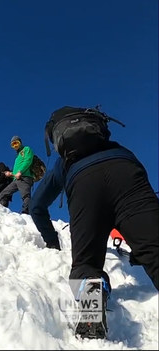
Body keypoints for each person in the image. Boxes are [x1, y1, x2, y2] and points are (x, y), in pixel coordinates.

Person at [30, 106, 159, 339]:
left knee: (86, 264)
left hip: (83, 183)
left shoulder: (63, 163)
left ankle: (92, 309)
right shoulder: (118, 149)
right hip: (127, 171)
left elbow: (36, 206)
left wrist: (52, 241)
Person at [0, 136, 34, 214]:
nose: (15, 146)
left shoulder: (26, 149)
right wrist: (11, 173)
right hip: (16, 179)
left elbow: (28, 161)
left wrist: (20, 171)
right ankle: (3, 211)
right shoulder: (17, 156)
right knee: (3, 194)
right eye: (13, 144)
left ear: (20, 142)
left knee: (25, 195)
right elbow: (17, 169)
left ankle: (26, 213)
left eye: (16, 143)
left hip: (25, 177)